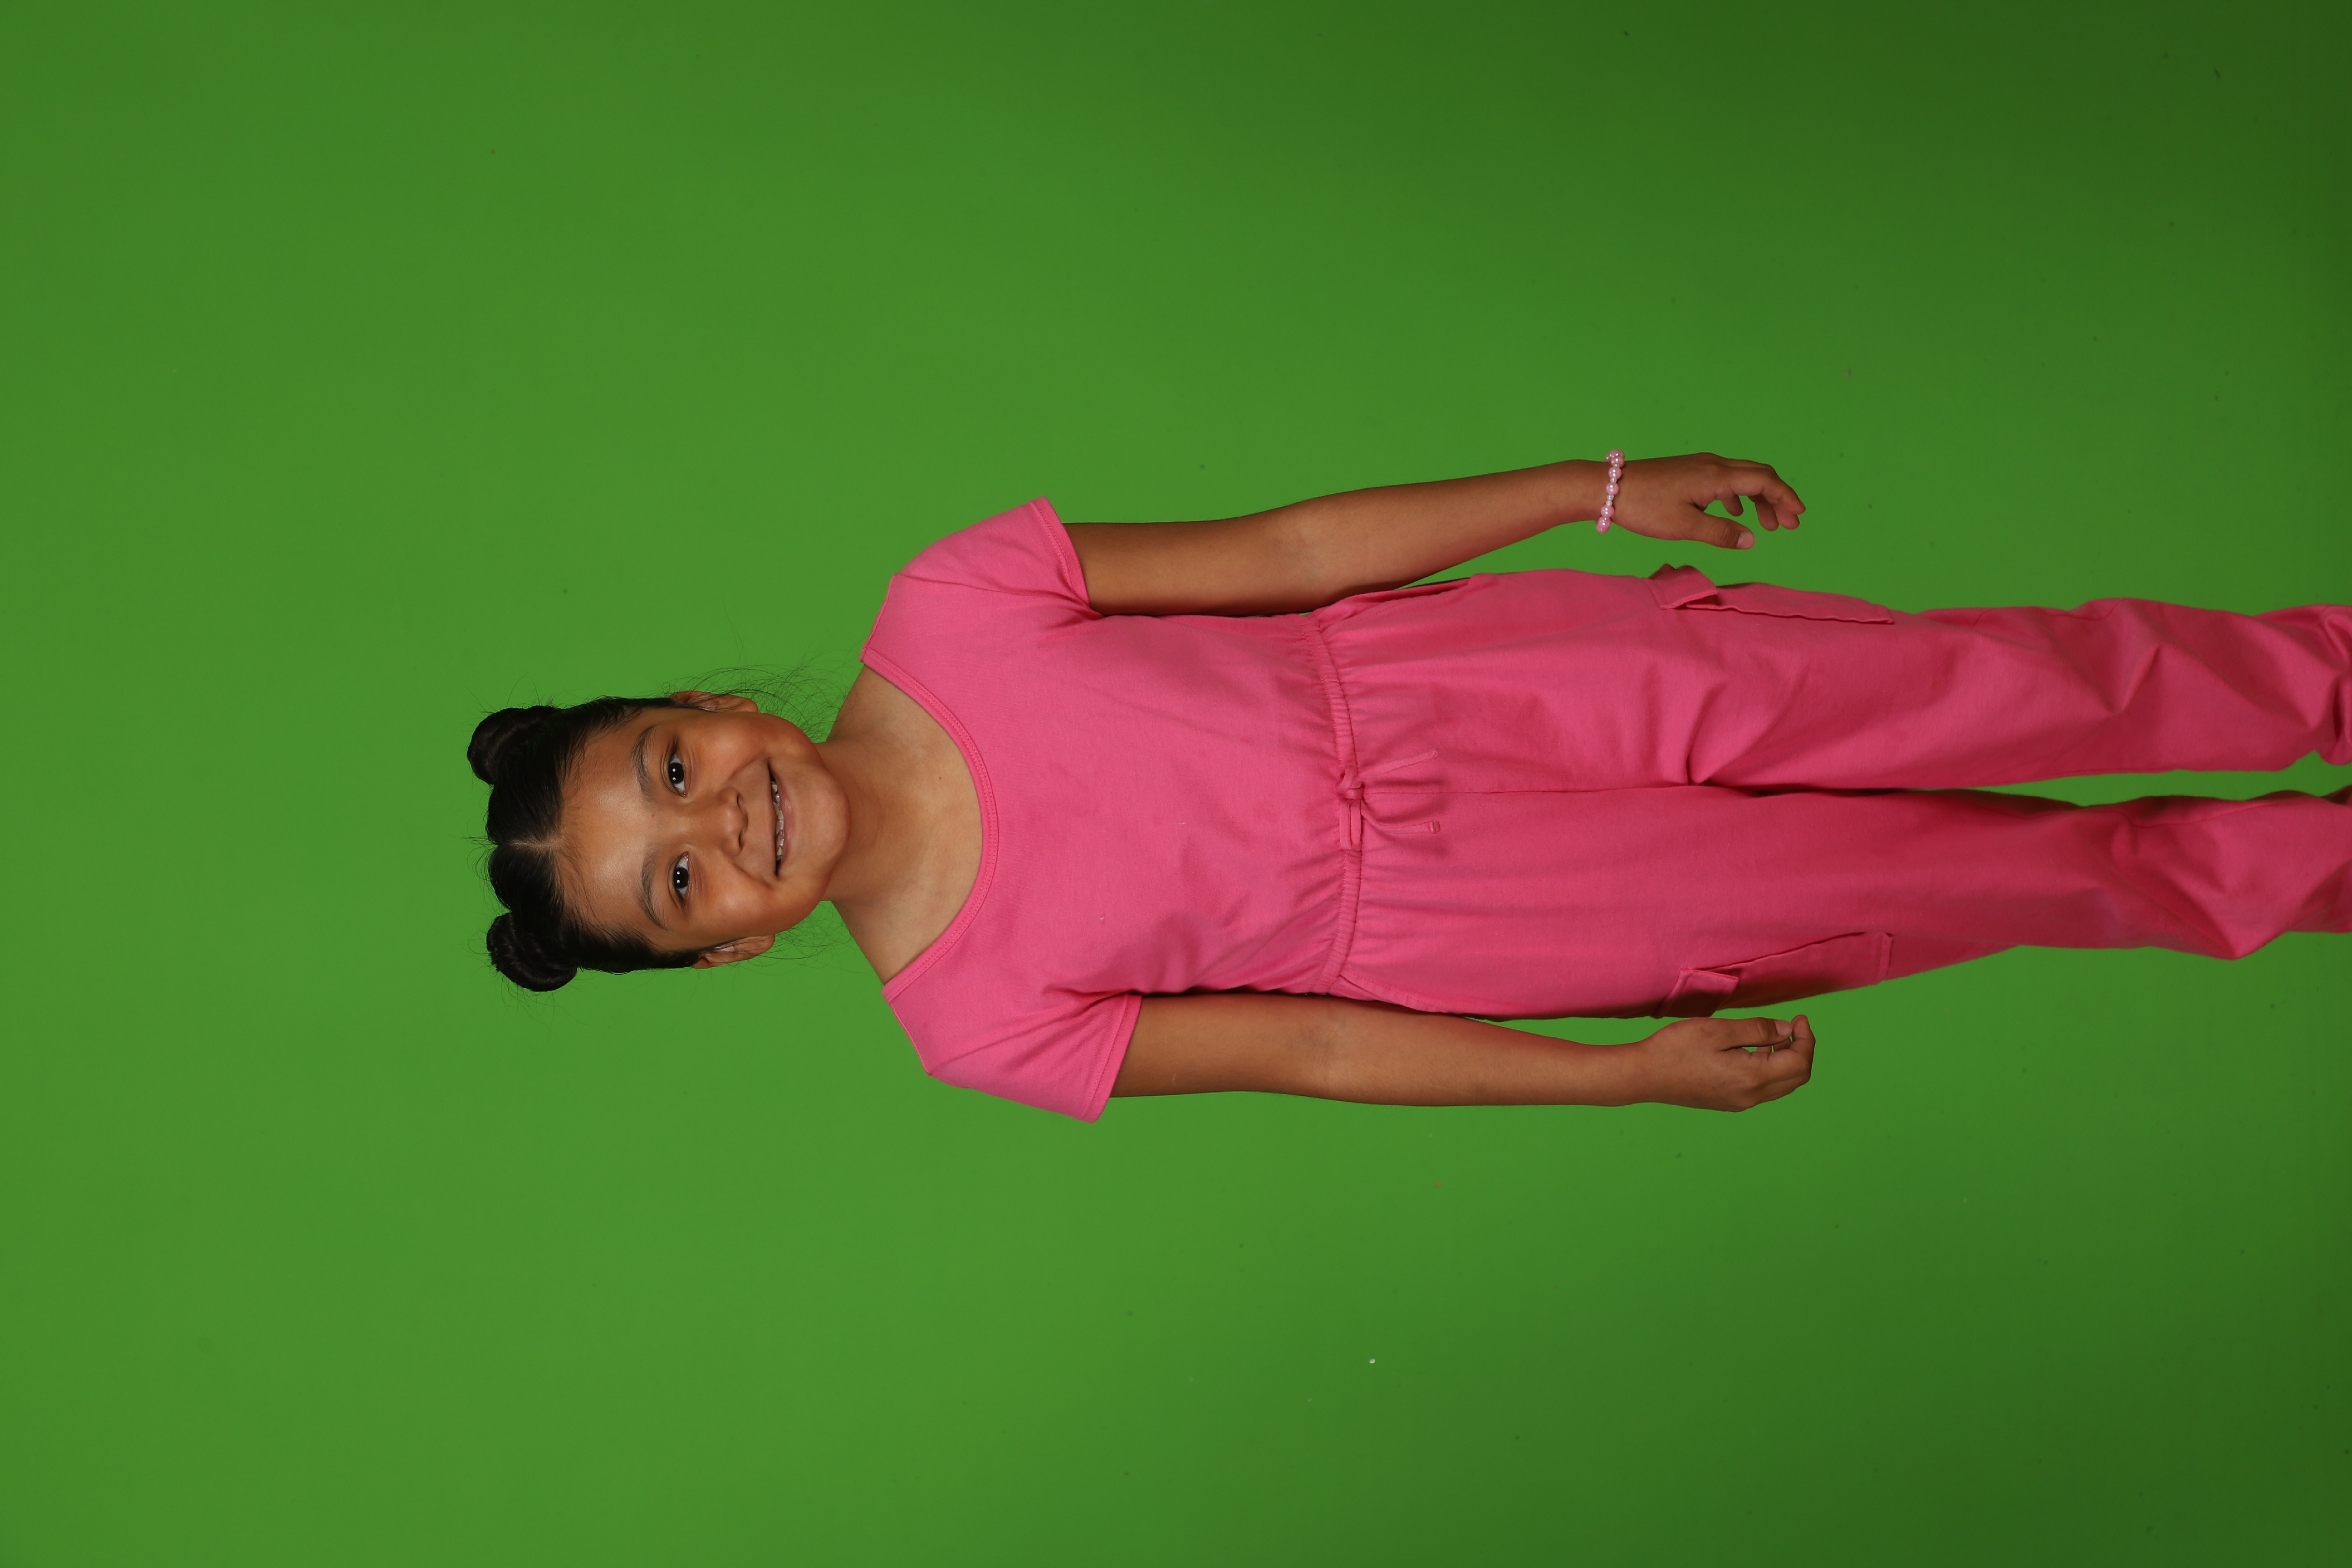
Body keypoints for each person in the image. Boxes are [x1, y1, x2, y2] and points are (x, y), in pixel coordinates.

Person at [466, 453, 2352, 1120]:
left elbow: (1291, 550)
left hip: (1500, 683)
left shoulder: (953, 600)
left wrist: (1588, 493)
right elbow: (1317, 1049)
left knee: (2003, 689)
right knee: (2022, 875)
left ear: (709, 706)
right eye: (680, 883)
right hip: (1494, 921)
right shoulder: (975, 1025)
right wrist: (1614, 1079)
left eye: (673, 771)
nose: (720, 825)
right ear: (724, 950)